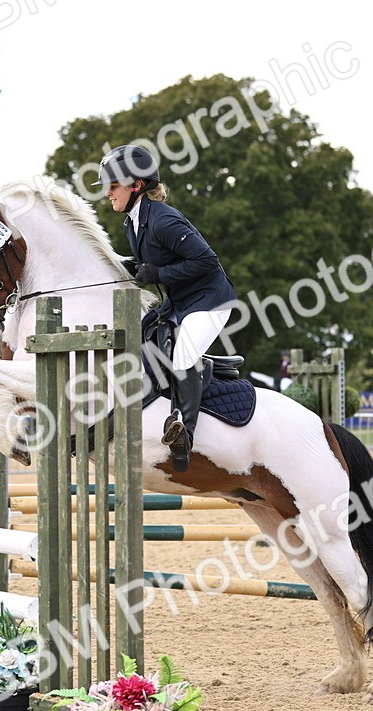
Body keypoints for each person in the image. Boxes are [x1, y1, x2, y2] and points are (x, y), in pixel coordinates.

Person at [95, 145, 237, 472]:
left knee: (184, 354)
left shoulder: (163, 219)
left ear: (135, 185)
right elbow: (151, 262)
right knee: (142, 333)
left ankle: (183, 434)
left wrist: (159, 275)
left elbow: (206, 261)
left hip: (209, 300)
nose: (107, 193)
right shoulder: (132, 223)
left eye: (112, 185)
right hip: (179, 302)